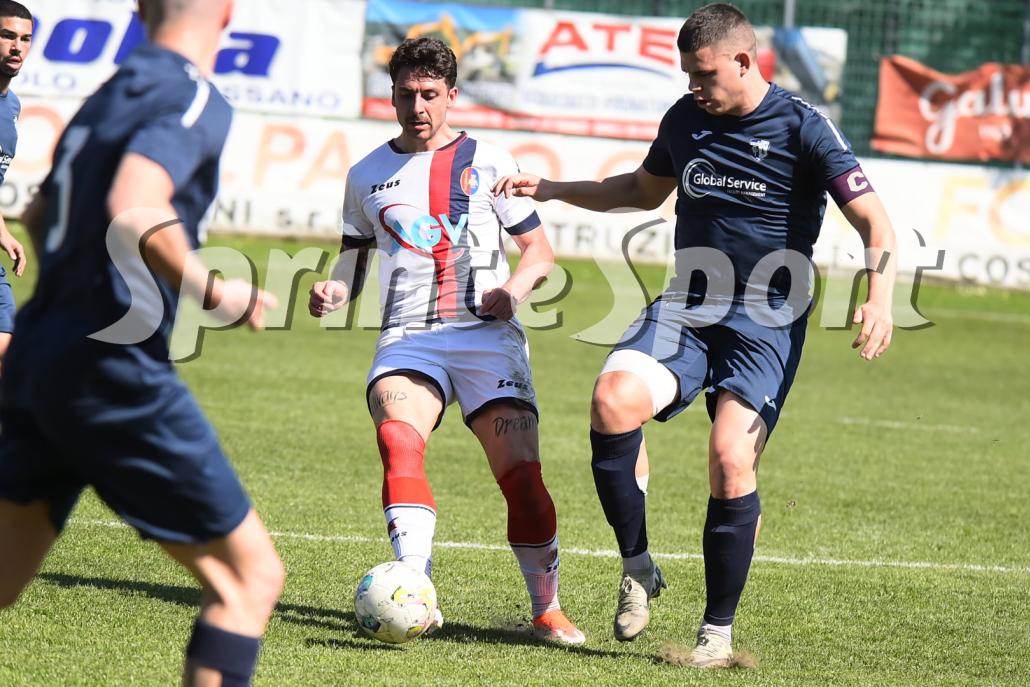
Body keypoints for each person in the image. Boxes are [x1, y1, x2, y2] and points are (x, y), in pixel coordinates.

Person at [493, 2, 895, 667]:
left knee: (731, 460)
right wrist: (555, 188)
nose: (694, 87)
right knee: (611, 401)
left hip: (766, 321)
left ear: (744, 60)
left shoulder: (803, 127)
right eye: (687, 75)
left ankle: (716, 633)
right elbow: (640, 189)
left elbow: (875, 223)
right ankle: (638, 565)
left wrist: (879, 297)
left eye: (705, 74)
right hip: (689, 305)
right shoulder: (685, 119)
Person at [0, 1, 285, 684]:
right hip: (110, 366)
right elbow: (134, 205)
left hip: (39, 353)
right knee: (249, 578)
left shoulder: (107, 95)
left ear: (139, 9)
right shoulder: (191, 94)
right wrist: (215, 290)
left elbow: (39, 211)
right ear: (226, 11)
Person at [309, 36, 584, 645]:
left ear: (452, 95)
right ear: (391, 95)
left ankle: (547, 607)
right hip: (409, 336)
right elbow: (353, 258)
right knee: (397, 439)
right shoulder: (366, 174)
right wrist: (335, 289)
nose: (418, 106)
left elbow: (539, 253)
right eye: (407, 94)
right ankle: (415, 585)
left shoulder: (491, 161)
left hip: (488, 337)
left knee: (521, 477)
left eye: (430, 94)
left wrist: (513, 290)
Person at [0, 0, 32, 369]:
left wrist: (3, 231)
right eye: (7, 36)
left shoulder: (11, 107)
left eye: (24, 39)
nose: (16, 47)